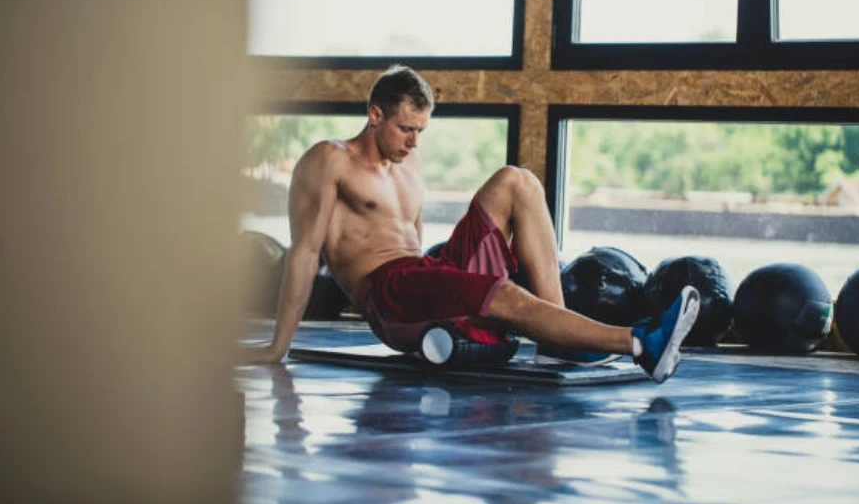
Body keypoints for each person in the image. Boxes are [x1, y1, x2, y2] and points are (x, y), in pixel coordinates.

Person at [243, 65, 699, 383]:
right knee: (504, 296)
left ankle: (559, 336)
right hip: (388, 293)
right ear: (375, 114)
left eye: (421, 129)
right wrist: (277, 346)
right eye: (405, 128)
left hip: (419, 276)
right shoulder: (329, 160)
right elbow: (304, 252)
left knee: (516, 181)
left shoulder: (410, 163)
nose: (413, 140)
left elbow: (414, 241)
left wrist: (446, 285)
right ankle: (642, 344)